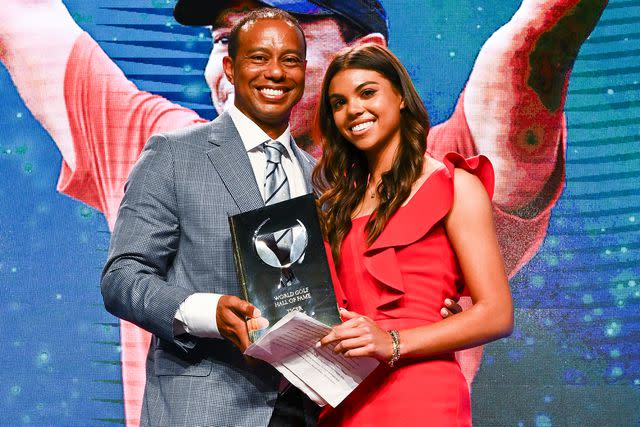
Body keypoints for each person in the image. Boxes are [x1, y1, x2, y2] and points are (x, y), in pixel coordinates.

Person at [0, 0, 607, 424]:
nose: (236, 65)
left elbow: (536, 47)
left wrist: (399, 335)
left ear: (361, 55)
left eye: (278, 33)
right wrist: (202, 310)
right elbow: (24, 18)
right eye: (224, 41)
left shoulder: (441, 174)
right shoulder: (161, 148)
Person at [101, 9, 321, 426]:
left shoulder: (318, 178)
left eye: (290, 60)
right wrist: (204, 312)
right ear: (230, 69)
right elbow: (122, 277)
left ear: (305, 71)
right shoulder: (173, 153)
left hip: (303, 408)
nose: (275, 72)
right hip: (204, 408)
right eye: (258, 58)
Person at [313, 43, 514, 426]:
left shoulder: (455, 185)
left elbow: (497, 313)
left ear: (401, 96)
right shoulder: (337, 204)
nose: (353, 109)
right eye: (338, 103)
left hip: (421, 394)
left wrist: (392, 342)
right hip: (346, 398)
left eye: (367, 92)